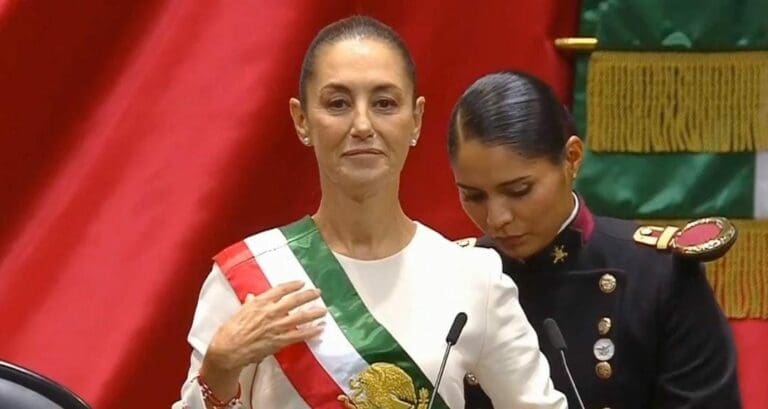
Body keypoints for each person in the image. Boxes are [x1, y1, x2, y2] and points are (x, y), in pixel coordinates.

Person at [173, 18, 567, 409]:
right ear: (302, 120)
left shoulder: (472, 278)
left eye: (384, 104)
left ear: (416, 119)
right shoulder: (251, 276)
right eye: (338, 104)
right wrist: (220, 367)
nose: (362, 125)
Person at [447, 71, 742, 409]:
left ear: (572, 158)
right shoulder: (453, 276)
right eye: (473, 196)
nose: (496, 218)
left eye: (519, 190)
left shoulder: (658, 275)